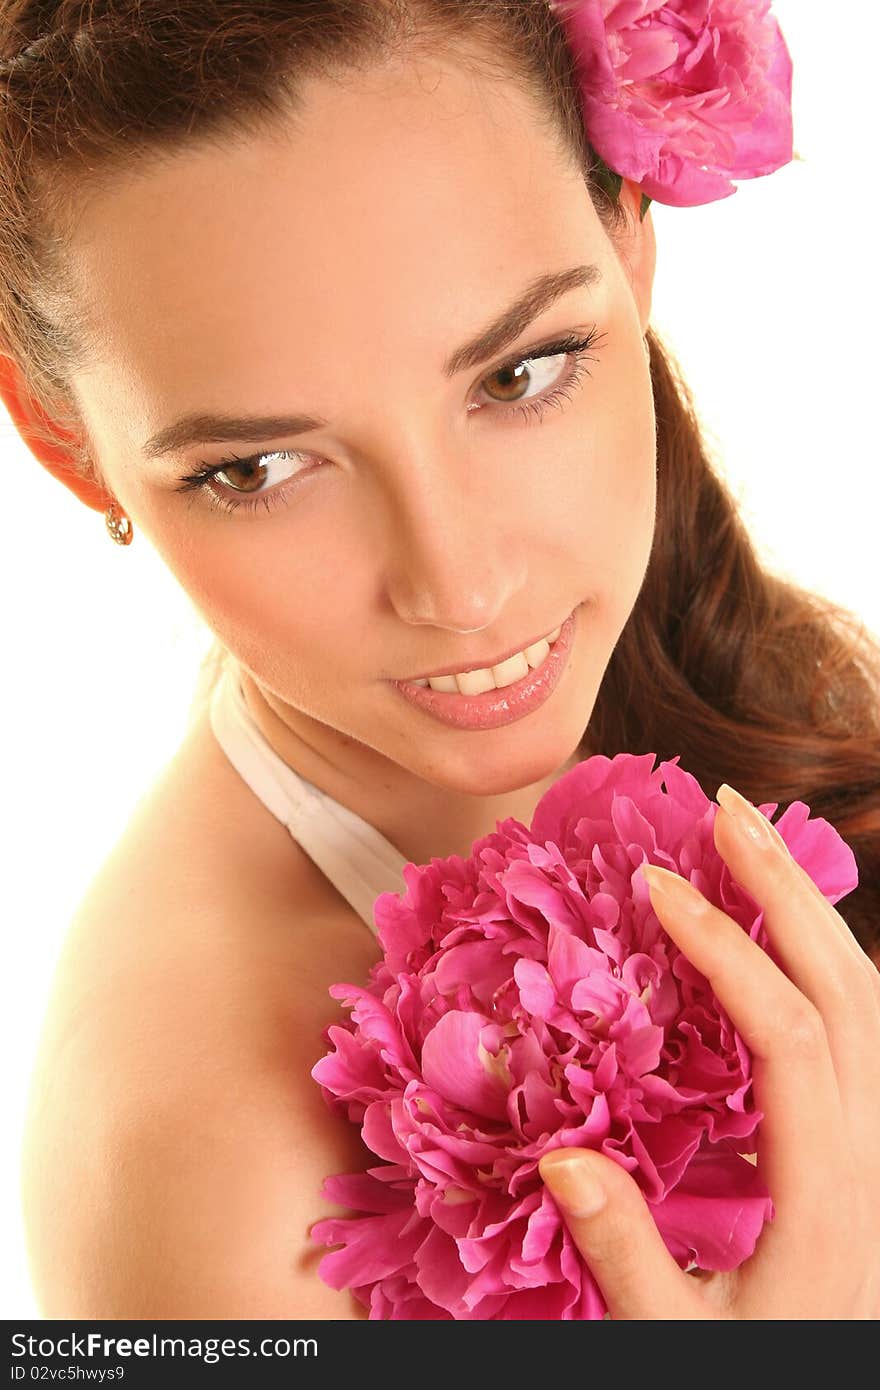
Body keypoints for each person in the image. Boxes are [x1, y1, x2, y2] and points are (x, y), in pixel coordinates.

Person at [1, 0, 877, 1321]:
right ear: (68, 444)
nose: (461, 590)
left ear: (629, 236)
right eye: (259, 468)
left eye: (523, 374)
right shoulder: (205, 1168)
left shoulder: (722, 663)